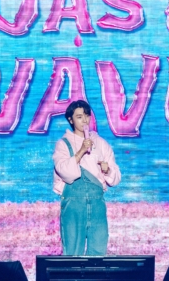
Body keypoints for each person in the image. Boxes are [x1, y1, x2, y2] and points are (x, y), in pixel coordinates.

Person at [52, 100, 121, 256]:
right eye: (79, 117)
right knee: (72, 253)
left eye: (87, 116)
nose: (84, 120)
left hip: (97, 204)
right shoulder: (63, 144)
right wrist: (81, 151)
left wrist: (107, 170)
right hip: (73, 204)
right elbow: (63, 171)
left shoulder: (101, 143)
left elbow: (116, 177)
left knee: (98, 252)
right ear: (70, 120)